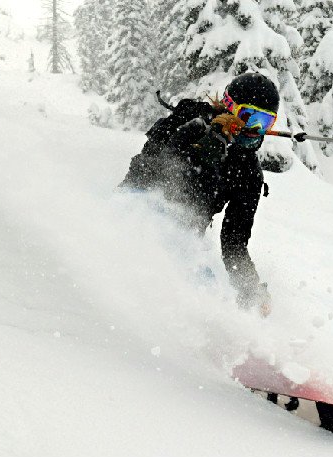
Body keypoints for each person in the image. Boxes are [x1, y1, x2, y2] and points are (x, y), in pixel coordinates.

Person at [120, 72, 279, 316]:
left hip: (182, 240)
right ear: (229, 107)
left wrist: (251, 288)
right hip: (137, 209)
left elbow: (234, 243)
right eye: (249, 117)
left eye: (265, 122)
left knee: (207, 297)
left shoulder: (248, 174)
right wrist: (200, 149)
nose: (254, 129)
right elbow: (143, 170)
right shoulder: (189, 120)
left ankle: (221, 337)